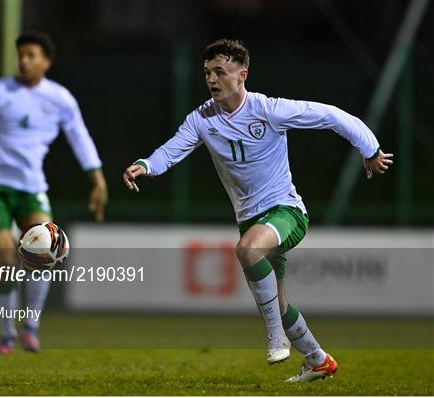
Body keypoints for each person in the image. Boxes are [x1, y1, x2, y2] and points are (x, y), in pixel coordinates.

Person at [122, 39, 393, 382]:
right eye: (207, 73)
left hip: (287, 212)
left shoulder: (269, 110)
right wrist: (144, 165)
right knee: (278, 302)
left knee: (248, 249)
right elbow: (172, 150)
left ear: (242, 74)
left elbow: (331, 116)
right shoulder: (202, 119)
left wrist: (370, 149)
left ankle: (275, 335)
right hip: (251, 220)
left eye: (220, 72)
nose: (212, 79)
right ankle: (317, 359)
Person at [0, 32, 108, 354]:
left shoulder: (60, 98)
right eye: (20, 54)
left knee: (45, 250)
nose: (23, 60)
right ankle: (7, 333)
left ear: (46, 62)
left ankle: (31, 327)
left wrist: (98, 180)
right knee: (5, 257)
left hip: (31, 187)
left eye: (31, 55)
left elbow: (80, 136)